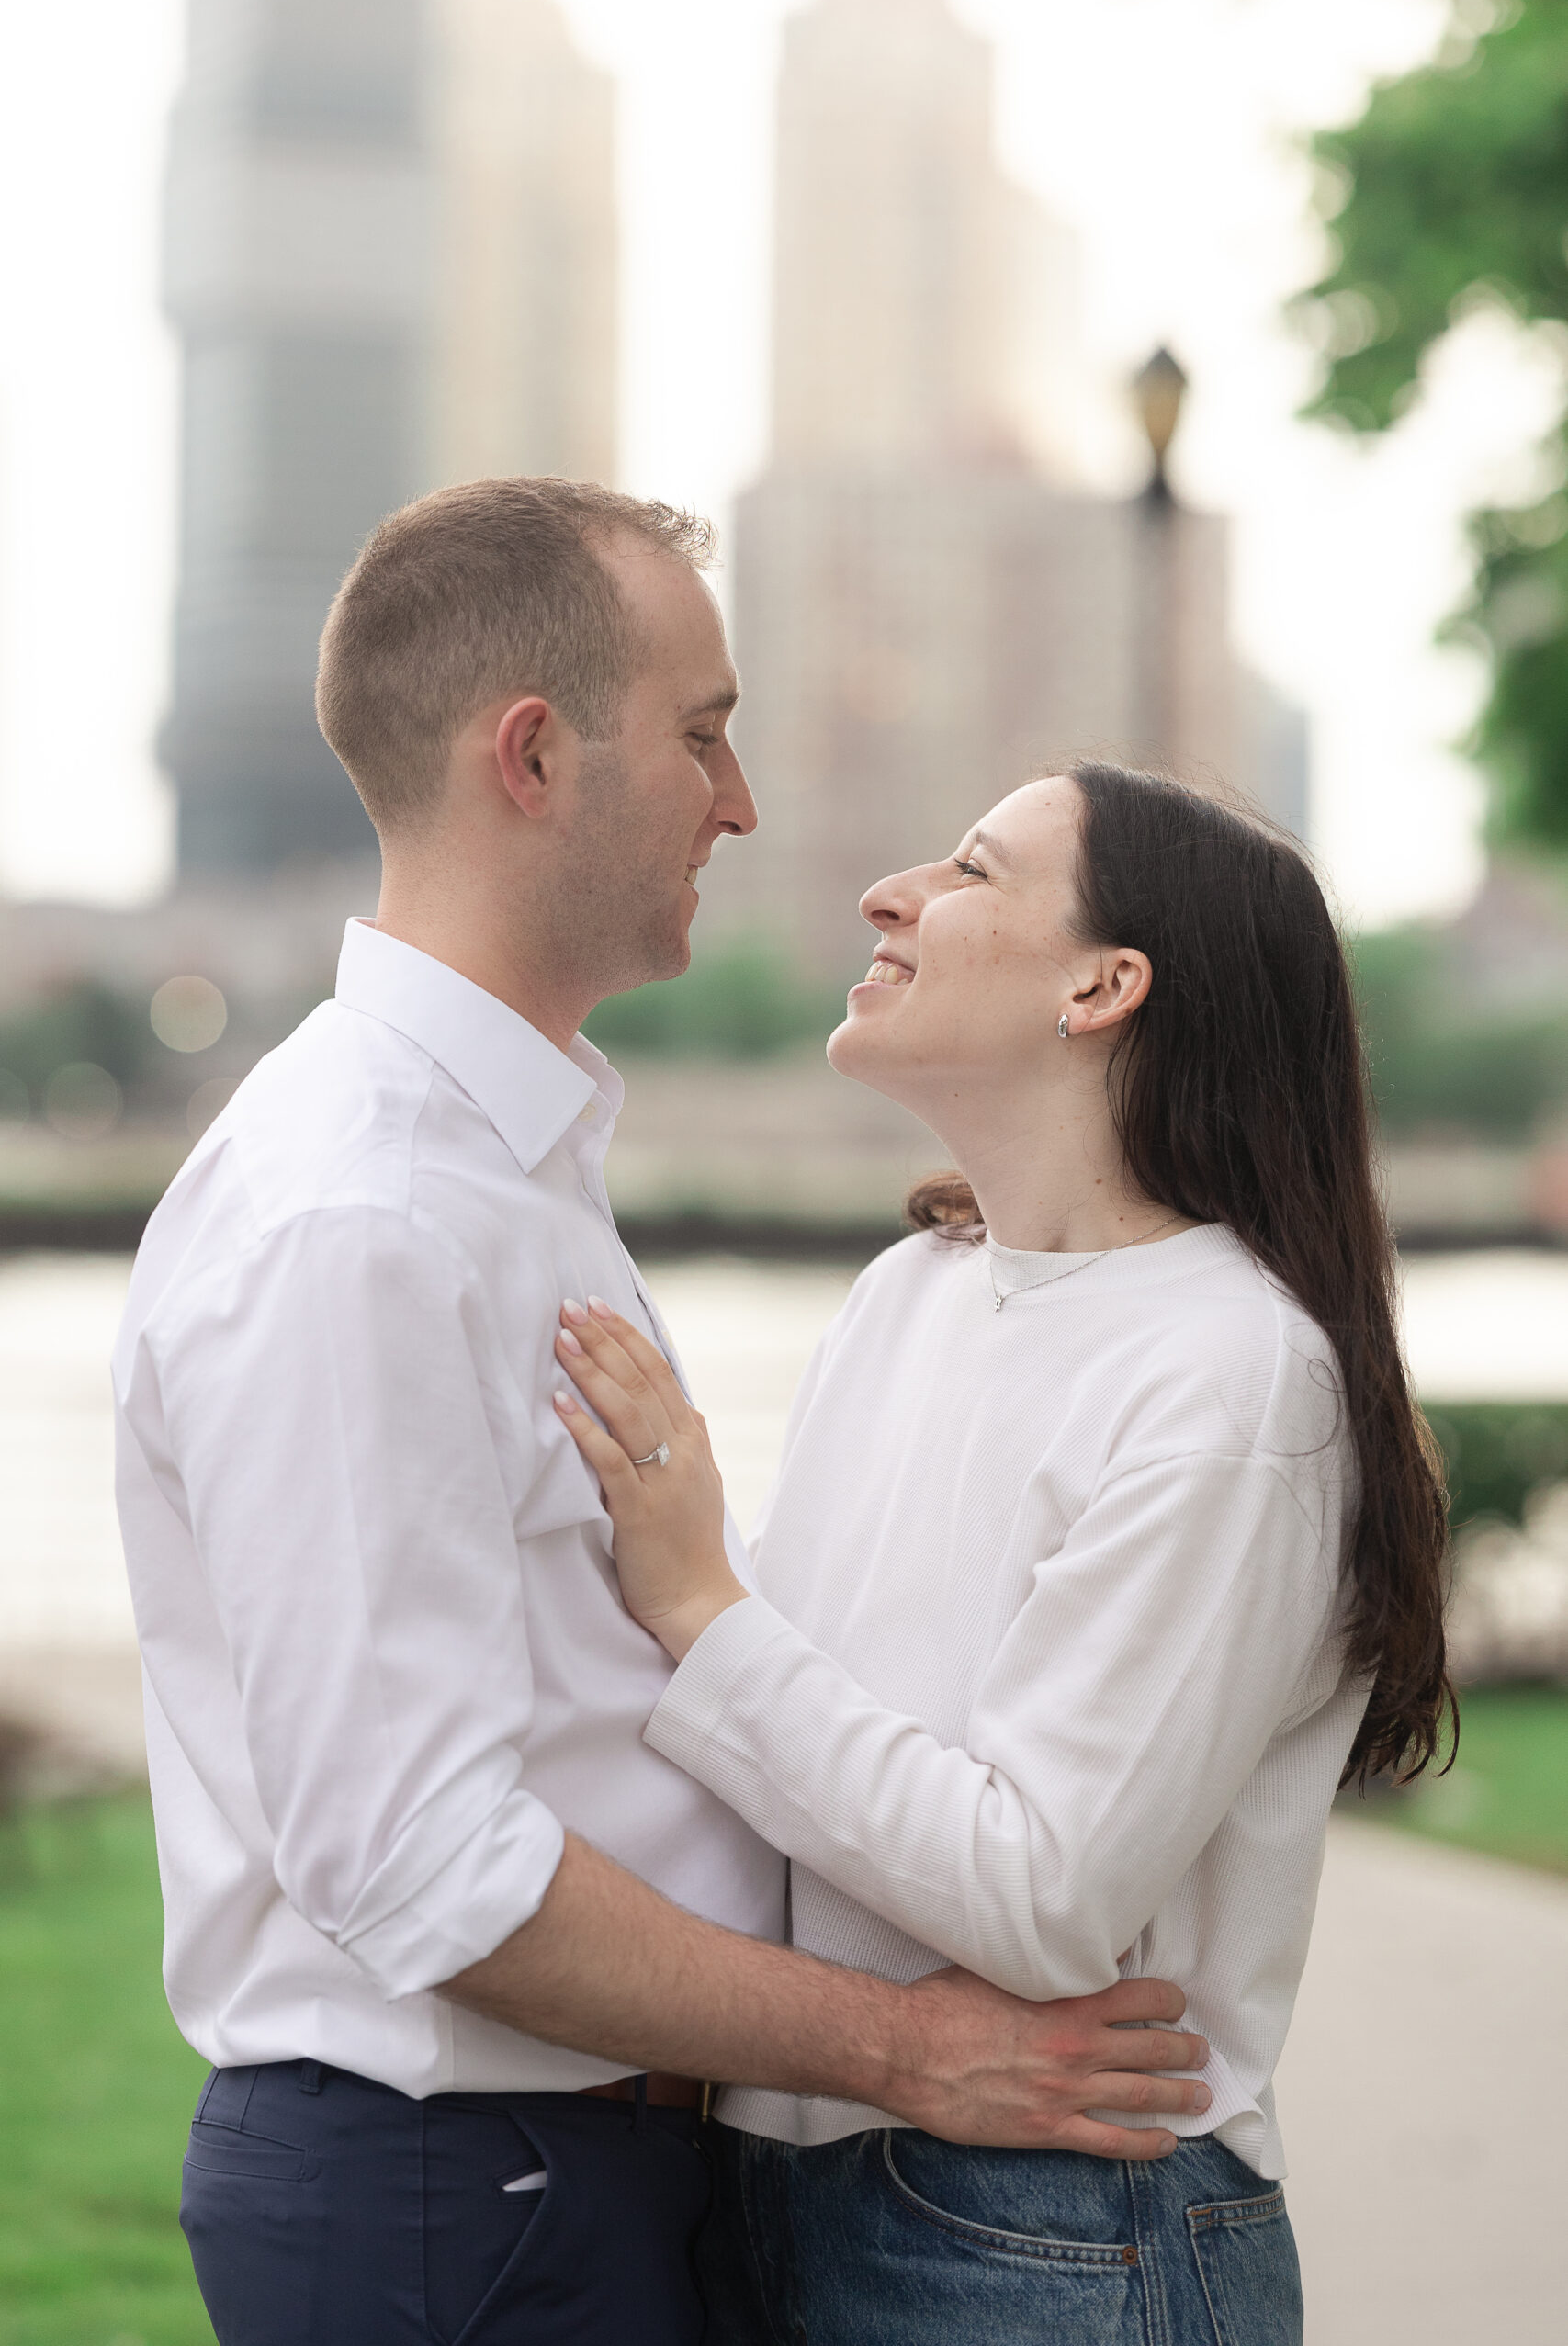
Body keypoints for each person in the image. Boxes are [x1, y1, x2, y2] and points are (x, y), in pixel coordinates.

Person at [112, 486, 1209, 2346]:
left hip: (563, 2172)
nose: (743, 797)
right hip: (464, 2195)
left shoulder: (502, 1161)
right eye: (701, 731)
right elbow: (414, 1858)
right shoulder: (362, 1213)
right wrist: (910, 2048)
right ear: (531, 756)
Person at [551, 761, 1453, 2345]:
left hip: (1050, 2228)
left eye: (969, 870)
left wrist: (703, 1601)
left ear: (1105, 987)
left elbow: (1043, 1892)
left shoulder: (1236, 1376)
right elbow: (808, 1746)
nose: (888, 894)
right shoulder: (912, 1293)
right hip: (778, 2171)